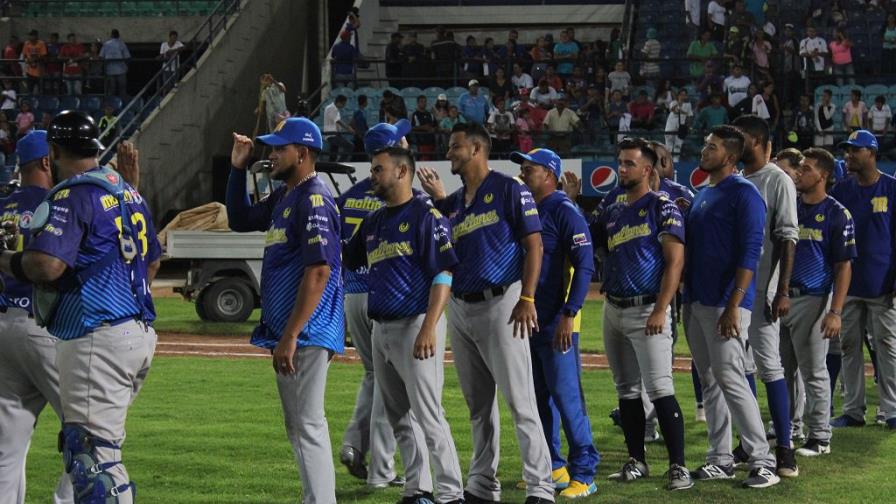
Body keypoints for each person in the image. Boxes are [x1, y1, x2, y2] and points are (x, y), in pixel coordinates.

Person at [0, 110, 160, 504]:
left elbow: (47, 265)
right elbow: (152, 259)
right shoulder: (128, 192)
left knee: (92, 462)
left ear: (53, 151)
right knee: (97, 452)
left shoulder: (71, 194)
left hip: (95, 337)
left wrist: (6, 260)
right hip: (137, 332)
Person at [415, 123, 555, 504]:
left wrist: (527, 297)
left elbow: (534, 245)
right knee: (478, 406)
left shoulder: (510, 188)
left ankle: (541, 487)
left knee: (520, 401)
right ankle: (482, 483)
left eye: (455, 146)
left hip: (502, 303)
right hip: (461, 307)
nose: (449, 153)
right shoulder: (458, 201)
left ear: (477, 148)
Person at [226, 117, 344, 503]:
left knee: (307, 425)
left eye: (280, 148)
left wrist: (291, 334)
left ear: (303, 153)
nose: (272, 154)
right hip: (294, 332)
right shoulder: (285, 196)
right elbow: (240, 219)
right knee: (300, 426)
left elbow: (320, 269)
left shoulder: (313, 198)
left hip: (306, 331)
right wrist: (237, 168)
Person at [343, 139, 465, 504]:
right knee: (399, 417)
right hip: (381, 327)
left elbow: (443, 274)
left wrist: (430, 327)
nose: (372, 177)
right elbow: (346, 257)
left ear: (402, 171)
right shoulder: (374, 221)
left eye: (378, 170)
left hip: (415, 325)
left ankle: (451, 492)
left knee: (429, 415)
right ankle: (418, 489)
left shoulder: (425, 216)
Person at [592, 138, 692, 491]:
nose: (622, 169)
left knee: (661, 388)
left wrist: (662, 308)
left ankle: (679, 466)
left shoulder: (662, 206)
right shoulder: (613, 208)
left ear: (647, 169)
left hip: (648, 307)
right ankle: (637, 460)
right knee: (626, 391)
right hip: (614, 307)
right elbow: (598, 244)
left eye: (629, 163)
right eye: (620, 162)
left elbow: (675, 262)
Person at [683, 125, 779, 488]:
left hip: (726, 304)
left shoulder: (745, 194)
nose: (705, 151)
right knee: (710, 382)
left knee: (733, 380)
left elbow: (750, 254)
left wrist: (734, 304)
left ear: (732, 156)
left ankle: (762, 460)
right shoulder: (703, 194)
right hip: (697, 301)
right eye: (706, 145)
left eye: (712, 147)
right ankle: (719, 458)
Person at [513, 148, 599, 499]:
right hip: (531, 321)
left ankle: (585, 472)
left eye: (529, 168)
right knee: (538, 399)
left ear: (549, 174)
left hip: (556, 322)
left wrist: (570, 313)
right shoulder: (528, 210)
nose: (522, 173)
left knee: (567, 399)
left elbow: (585, 266)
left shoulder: (565, 210)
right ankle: (553, 466)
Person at [338, 121, 419, 492]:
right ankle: (382, 470)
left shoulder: (353, 192)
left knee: (375, 376)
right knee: (393, 384)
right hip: (384, 295)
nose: (407, 140)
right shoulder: (393, 191)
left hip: (351, 295)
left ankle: (356, 443)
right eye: (400, 137)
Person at [0, 131, 74, 504]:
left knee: (6, 448)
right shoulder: (56, 202)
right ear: (47, 161)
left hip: (4, 329)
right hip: (42, 328)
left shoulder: (4, 206)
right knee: (86, 429)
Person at [732, 115, 800, 478]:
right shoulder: (739, 181)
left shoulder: (777, 180)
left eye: (738, 139)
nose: (732, 145)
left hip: (765, 288)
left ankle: (785, 448)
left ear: (755, 141)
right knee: (740, 367)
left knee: (769, 365)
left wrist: (782, 290)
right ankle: (750, 442)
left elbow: (789, 236)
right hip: (739, 289)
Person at [780, 148, 855, 458]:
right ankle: (790, 428)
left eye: (807, 169)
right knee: (783, 371)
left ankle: (820, 437)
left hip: (814, 298)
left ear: (823, 175)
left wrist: (835, 311)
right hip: (781, 299)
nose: (800, 174)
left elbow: (843, 266)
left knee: (813, 371)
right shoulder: (791, 207)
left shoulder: (838, 213)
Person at [829, 130, 896, 430]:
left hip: (883, 283)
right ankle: (854, 410)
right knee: (849, 346)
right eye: (847, 151)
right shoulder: (842, 191)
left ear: (871, 152)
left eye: (855, 150)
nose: (848, 155)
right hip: (849, 284)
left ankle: (892, 410)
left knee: (887, 346)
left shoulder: (891, 188)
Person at [323, 95, 356, 162]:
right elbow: (338, 121)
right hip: (332, 134)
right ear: (339, 102)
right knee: (350, 146)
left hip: (335, 134)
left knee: (333, 154)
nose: (343, 106)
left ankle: (332, 166)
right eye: (343, 104)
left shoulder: (334, 109)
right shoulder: (331, 108)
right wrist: (348, 128)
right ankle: (340, 163)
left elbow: (337, 122)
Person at [99, 29, 130, 99]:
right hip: (121, 70)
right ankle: (123, 106)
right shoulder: (122, 44)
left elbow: (101, 57)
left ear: (111, 35)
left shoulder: (106, 44)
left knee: (111, 91)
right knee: (122, 90)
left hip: (109, 70)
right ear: (118, 35)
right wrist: (126, 67)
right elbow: (127, 57)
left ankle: (111, 106)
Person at [664, 89, 693, 162]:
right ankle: (668, 163)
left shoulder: (688, 105)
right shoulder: (673, 102)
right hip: (670, 126)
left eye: (684, 95)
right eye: (681, 94)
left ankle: (676, 163)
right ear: (678, 95)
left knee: (678, 146)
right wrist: (679, 103)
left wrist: (689, 126)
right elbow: (672, 110)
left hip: (681, 127)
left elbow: (690, 116)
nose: (683, 96)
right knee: (669, 147)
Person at [411, 96, 437, 160]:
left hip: (432, 141)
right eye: (421, 101)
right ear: (418, 103)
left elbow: (436, 126)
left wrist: (434, 129)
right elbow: (411, 127)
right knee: (423, 160)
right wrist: (423, 128)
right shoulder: (415, 115)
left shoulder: (430, 114)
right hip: (421, 142)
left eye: (425, 101)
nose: (424, 103)